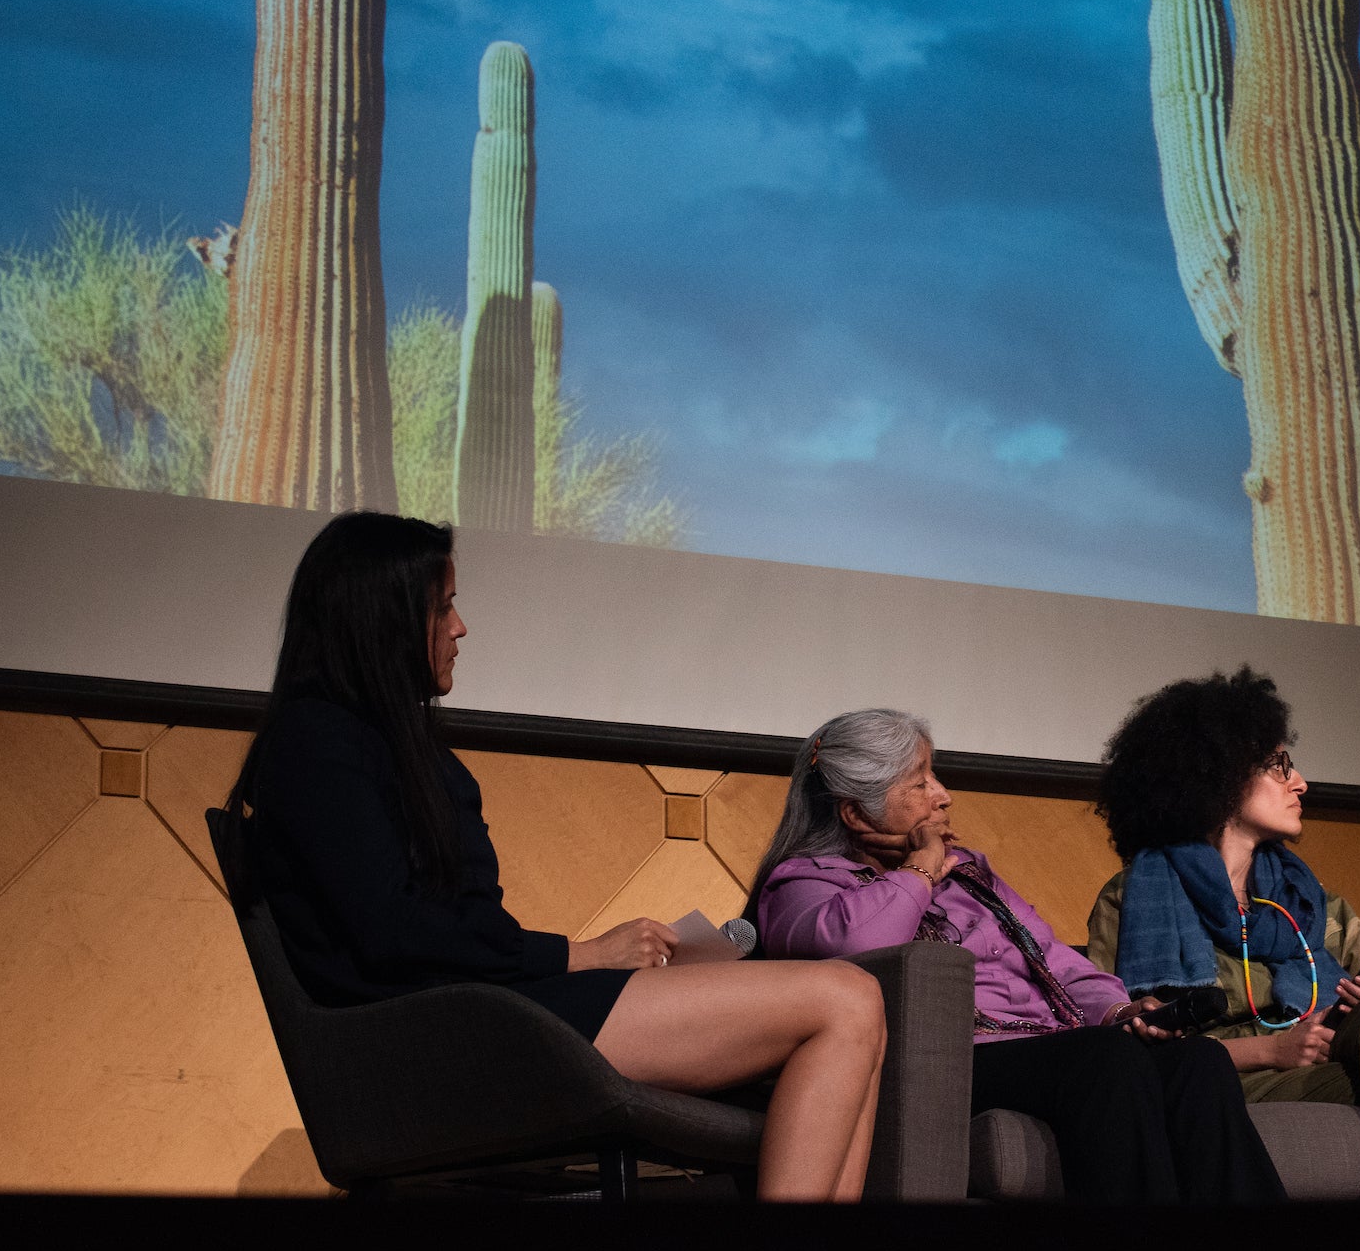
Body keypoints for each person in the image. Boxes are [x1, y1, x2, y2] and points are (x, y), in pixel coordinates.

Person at [230, 512, 885, 1202]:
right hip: (441, 1039)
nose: (459, 629)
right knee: (845, 999)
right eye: (444, 607)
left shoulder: (394, 749)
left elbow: (455, 926)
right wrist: (582, 954)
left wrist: (587, 956)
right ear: (381, 620)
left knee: (860, 1014)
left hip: (486, 1011)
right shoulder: (318, 748)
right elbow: (397, 934)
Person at [750, 708, 1286, 1204]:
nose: (943, 795)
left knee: (1199, 1061)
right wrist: (920, 868)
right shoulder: (802, 883)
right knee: (1106, 1059)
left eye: (934, 776)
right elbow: (859, 944)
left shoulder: (970, 872)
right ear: (855, 815)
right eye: (919, 783)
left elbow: (1054, 958)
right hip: (953, 1060)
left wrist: (1119, 1013)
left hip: (1050, 1045)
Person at [1087, 668, 1360, 1208]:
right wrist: (1270, 1048)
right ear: (1217, 777)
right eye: (1279, 767)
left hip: (1320, 1059)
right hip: (1222, 1081)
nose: (1300, 783)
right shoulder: (1136, 895)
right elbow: (1117, 1043)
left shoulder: (1306, 897)